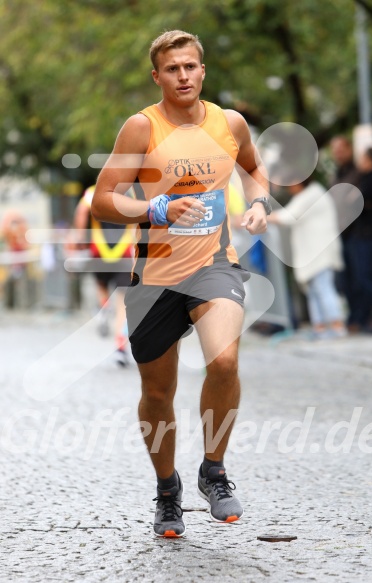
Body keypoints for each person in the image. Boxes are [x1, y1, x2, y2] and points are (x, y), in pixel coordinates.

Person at [91, 30, 269, 537]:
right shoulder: (140, 129)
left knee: (226, 359)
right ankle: (167, 489)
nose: (183, 76)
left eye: (191, 66)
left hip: (214, 265)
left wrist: (258, 203)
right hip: (154, 278)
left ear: (203, 71)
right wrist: (155, 207)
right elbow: (105, 199)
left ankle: (213, 469)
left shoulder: (229, 123)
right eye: (173, 69)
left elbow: (255, 171)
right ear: (157, 76)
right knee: (157, 393)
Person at [267, 176, 347, 339]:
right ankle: (320, 328)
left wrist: (260, 217)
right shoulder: (308, 194)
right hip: (313, 254)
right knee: (314, 291)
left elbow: (287, 216)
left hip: (320, 253)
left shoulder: (312, 194)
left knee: (323, 288)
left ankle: (337, 326)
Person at [73, 185, 134, 366]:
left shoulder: (94, 190)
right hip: (124, 252)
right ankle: (121, 347)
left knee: (101, 285)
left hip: (98, 250)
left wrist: (80, 238)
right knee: (123, 303)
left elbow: (82, 212)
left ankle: (104, 308)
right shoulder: (134, 192)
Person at [348, 147, 372, 332]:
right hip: (364, 234)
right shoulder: (364, 178)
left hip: (371, 236)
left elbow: (358, 201)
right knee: (364, 277)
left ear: (370, 160)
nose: (360, 162)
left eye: (363, 158)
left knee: (368, 276)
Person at [329, 136, 361, 330]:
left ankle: (360, 318)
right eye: (335, 149)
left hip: (357, 232)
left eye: (341, 149)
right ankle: (353, 318)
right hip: (340, 234)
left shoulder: (358, 172)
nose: (338, 153)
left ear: (349, 149)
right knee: (345, 280)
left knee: (359, 277)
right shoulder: (336, 174)